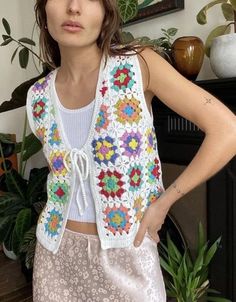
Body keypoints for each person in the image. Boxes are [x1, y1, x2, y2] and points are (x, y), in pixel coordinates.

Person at [26, 0, 236, 301]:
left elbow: (227, 130)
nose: (74, 7)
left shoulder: (137, 66)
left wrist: (164, 203)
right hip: (55, 257)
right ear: (44, 9)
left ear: (106, 12)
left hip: (127, 257)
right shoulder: (38, 97)